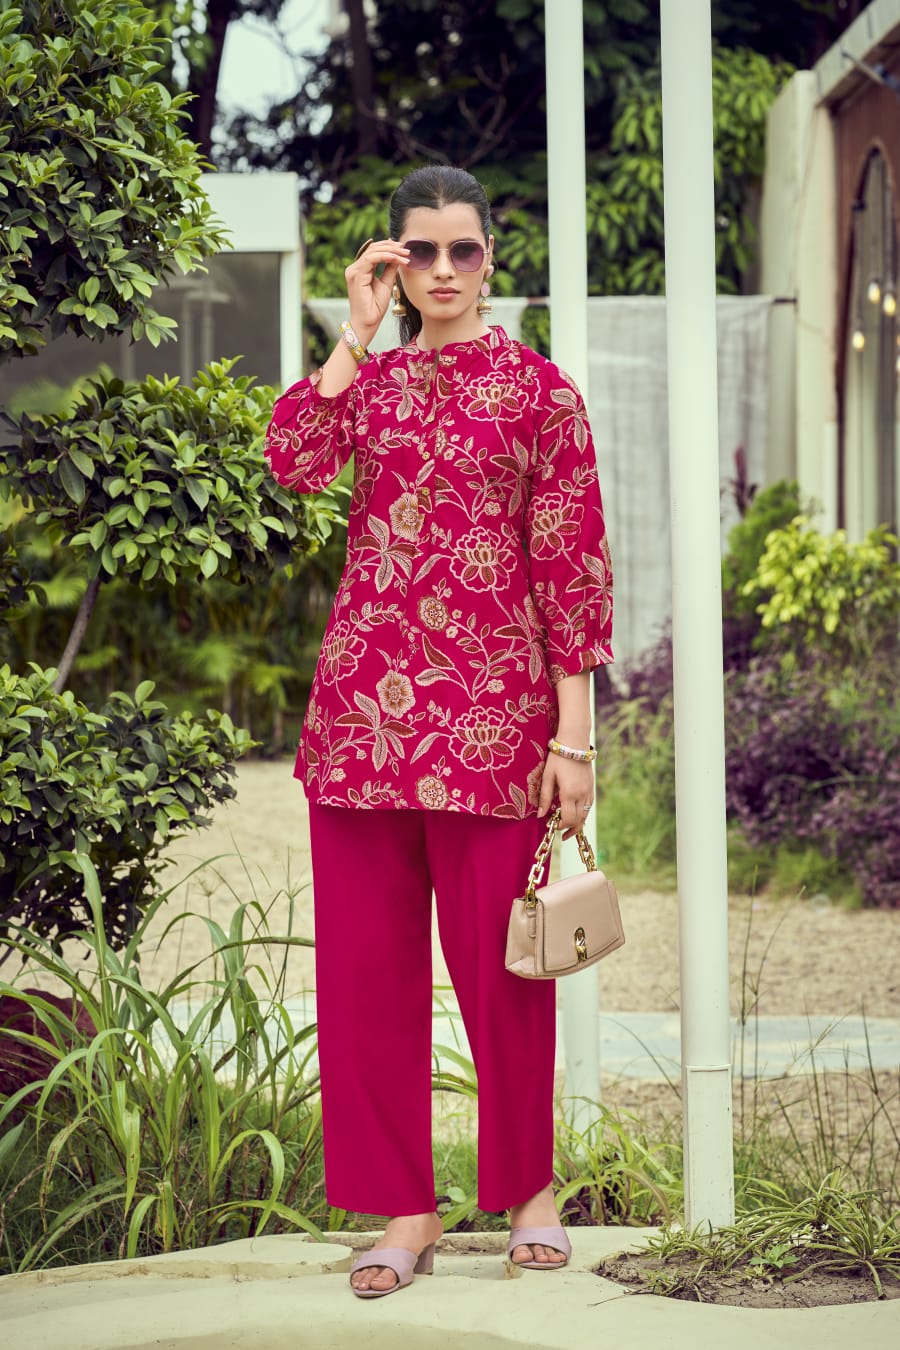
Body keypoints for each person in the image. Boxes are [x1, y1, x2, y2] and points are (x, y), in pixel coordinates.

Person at [264, 164, 613, 1299]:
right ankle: (403, 1212)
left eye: (465, 249)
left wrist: (573, 740)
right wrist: (353, 335)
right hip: (359, 726)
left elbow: (571, 568)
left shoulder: (540, 393)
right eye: (422, 251)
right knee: (367, 981)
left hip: (495, 728)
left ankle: (529, 1195)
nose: (445, 270)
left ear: (490, 259)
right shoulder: (369, 383)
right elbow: (291, 462)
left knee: (505, 975)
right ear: (393, 262)